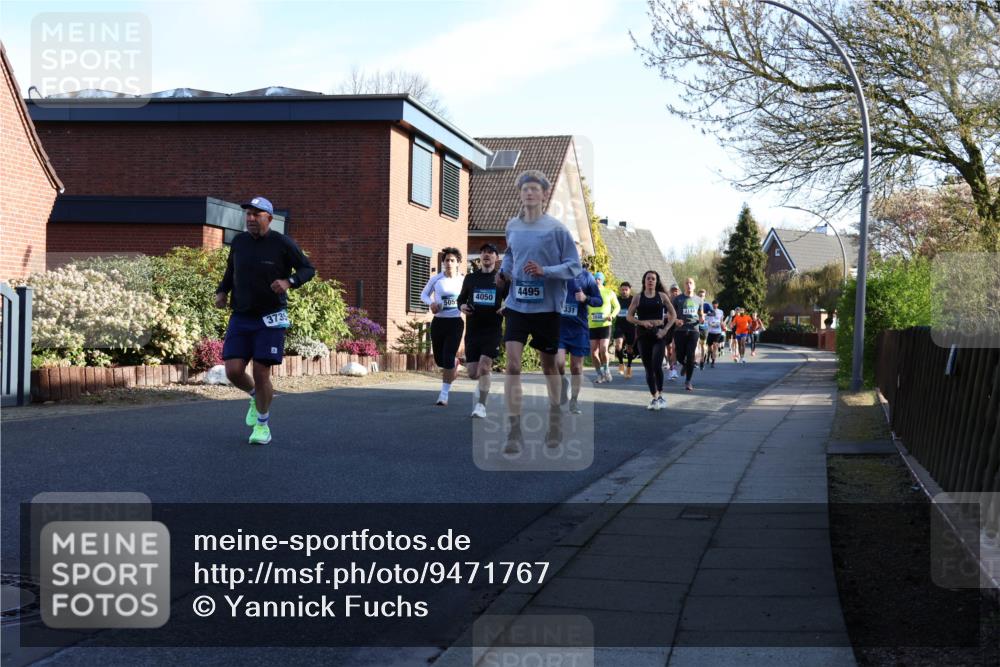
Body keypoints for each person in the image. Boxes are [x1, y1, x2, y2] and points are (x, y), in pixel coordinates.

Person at [216, 195, 316, 445]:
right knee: (233, 371)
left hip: (271, 317)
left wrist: (289, 281)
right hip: (241, 315)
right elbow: (231, 271)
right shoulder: (239, 242)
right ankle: (254, 396)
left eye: (256, 215)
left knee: (261, 373)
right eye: (248, 214)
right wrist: (222, 291)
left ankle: (262, 425)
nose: (250, 219)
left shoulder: (282, 243)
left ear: (269, 219)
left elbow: (307, 269)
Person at [495, 170, 582, 453]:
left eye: (535, 189)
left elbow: (573, 266)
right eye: (525, 189)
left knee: (549, 367)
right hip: (517, 305)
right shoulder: (512, 226)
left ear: (545, 195)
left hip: (547, 308)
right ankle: (514, 431)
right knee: (512, 366)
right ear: (520, 194)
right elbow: (510, 254)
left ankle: (555, 421)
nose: (529, 193)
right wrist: (504, 272)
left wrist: (546, 271)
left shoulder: (557, 229)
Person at [458, 243, 508, 418]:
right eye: (484, 252)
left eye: (491, 252)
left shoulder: (502, 279)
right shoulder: (471, 279)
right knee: (473, 373)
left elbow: (510, 300)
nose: (487, 255)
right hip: (473, 330)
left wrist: (505, 308)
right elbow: (461, 299)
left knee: (485, 367)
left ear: (497, 258)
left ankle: (481, 405)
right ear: (480, 257)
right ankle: (481, 387)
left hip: (492, 329)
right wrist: (463, 306)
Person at [557, 255, 603, 414]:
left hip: (579, 329)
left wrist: (586, 298)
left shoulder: (587, 277)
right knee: (558, 363)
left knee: (576, 368)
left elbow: (599, 300)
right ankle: (563, 383)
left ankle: (574, 401)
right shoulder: (559, 273)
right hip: (560, 328)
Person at [421, 247, 465, 406]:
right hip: (439, 322)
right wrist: (431, 303)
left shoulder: (463, 280)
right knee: (440, 360)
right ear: (443, 262)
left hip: (455, 322)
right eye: (446, 260)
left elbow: (469, 297)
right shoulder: (436, 279)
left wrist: (466, 306)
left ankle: (444, 395)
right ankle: (455, 363)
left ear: (458, 263)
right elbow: (423, 294)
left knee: (447, 357)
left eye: (452, 260)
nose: (449, 263)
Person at [627, 270, 676, 410]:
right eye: (648, 278)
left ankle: (661, 394)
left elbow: (673, 315)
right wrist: (641, 323)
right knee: (648, 369)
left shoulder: (662, 296)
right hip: (643, 335)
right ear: (644, 281)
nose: (650, 281)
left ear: (656, 281)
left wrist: (665, 330)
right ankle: (654, 397)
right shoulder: (638, 297)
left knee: (656, 365)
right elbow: (629, 317)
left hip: (658, 334)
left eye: (653, 279)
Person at [672, 277, 706, 391]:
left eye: (691, 283)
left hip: (693, 330)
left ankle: (688, 381)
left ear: (694, 285)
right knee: (680, 354)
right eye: (686, 283)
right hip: (680, 330)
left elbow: (701, 314)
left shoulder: (699, 300)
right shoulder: (677, 299)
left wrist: (702, 318)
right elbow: (671, 313)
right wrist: (676, 320)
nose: (689, 285)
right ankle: (685, 365)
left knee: (691, 355)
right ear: (684, 285)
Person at [587, 271, 620, 383]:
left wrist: (612, 315)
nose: (597, 280)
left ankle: (606, 369)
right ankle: (599, 374)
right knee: (593, 352)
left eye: (599, 279)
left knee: (603, 349)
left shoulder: (609, 292)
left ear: (602, 280)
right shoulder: (589, 293)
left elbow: (617, 307)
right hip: (592, 325)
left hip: (605, 325)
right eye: (595, 278)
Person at [613, 282, 637, 378]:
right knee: (618, 345)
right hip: (619, 325)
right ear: (620, 290)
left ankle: (629, 367)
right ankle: (621, 363)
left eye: (626, 290)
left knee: (630, 348)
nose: (624, 291)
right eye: (622, 289)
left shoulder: (633, 300)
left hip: (630, 326)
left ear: (629, 290)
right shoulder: (617, 299)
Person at [665, 283, 682, 380]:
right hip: (668, 326)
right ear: (670, 292)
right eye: (673, 290)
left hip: (679, 327)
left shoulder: (682, 300)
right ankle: (671, 367)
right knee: (669, 349)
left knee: (674, 348)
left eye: (676, 290)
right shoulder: (666, 301)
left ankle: (674, 368)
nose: (674, 292)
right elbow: (667, 314)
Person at [704, 299, 725, 368]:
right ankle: (708, 357)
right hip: (710, 332)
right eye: (713, 304)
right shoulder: (709, 312)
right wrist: (709, 324)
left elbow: (721, 321)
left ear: (717, 305)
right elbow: (705, 320)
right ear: (712, 305)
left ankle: (713, 362)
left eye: (716, 304)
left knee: (715, 346)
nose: (714, 305)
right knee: (709, 348)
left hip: (718, 332)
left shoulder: (721, 312)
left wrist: (723, 326)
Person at [696, 288, 710, 369]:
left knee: (703, 345)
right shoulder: (695, 303)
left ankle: (702, 360)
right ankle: (695, 361)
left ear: (704, 297)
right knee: (696, 343)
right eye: (700, 296)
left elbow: (713, 313)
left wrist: (705, 314)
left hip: (704, 327)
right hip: (696, 326)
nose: (701, 297)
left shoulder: (707, 305)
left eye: (703, 296)